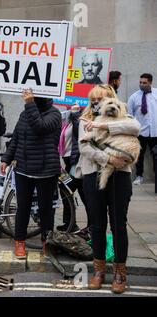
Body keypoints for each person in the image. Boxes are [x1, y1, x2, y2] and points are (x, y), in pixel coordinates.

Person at [79, 84, 140, 294]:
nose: (98, 102)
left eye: (102, 98)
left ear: (111, 98)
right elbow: (84, 147)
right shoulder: (85, 119)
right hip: (92, 176)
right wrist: (110, 158)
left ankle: (120, 273)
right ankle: (98, 271)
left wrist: (104, 127)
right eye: (94, 99)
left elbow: (136, 128)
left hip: (120, 177)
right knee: (97, 225)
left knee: (118, 225)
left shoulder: (126, 116)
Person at [0, 89, 62, 259]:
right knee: (23, 208)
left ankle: (46, 243)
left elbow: (40, 127)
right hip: (23, 169)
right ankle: (19, 242)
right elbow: (16, 139)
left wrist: (30, 104)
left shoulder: (55, 114)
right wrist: (6, 158)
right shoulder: (25, 113)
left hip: (46, 170)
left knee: (45, 210)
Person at [58, 103, 89, 235]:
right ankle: (70, 223)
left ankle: (74, 224)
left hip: (76, 161)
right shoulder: (67, 118)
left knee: (74, 190)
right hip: (68, 161)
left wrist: (76, 114)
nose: (69, 106)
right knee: (69, 189)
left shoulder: (81, 118)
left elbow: (79, 132)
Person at [127, 73, 157, 185]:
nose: (142, 84)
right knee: (139, 155)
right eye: (140, 82)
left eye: (144, 83)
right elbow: (129, 115)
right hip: (140, 132)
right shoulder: (134, 97)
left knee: (156, 155)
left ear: (150, 82)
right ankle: (139, 176)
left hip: (155, 131)